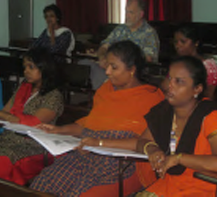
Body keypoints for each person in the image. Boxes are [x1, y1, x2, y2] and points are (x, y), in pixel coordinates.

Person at [30, 40, 164, 197]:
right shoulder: (105, 91)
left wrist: (99, 143)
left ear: (132, 70)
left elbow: (143, 142)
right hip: (86, 156)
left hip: (124, 164)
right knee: (42, 184)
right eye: (107, 65)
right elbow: (90, 126)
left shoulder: (151, 99)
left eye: (114, 67)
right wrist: (58, 130)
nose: (107, 72)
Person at [136, 56, 217, 197]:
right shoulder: (165, 111)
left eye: (179, 81)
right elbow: (142, 141)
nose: (169, 85)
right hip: (168, 186)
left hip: (201, 188)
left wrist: (179, 158)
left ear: (197, 89)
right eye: (169, 78)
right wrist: (152, 149)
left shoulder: (210, 116)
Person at [0, 47, 64, 185]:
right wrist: (7, 116)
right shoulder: (23, 88)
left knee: (2, 163)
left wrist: (8, 117)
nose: (25, 71)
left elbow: (33, 122)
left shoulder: (54, 96)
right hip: (8, 138)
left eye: (31, 67)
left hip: (31, 144)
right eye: (25, 67)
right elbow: (4, 113)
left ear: (44, 68)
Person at [81, 0, 159, 90]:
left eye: (131, 12)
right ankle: (105, 92)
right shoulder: (120, 29)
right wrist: (102, 57)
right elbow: (104, 46)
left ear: (140, 14)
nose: (127, 16)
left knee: (108, 78)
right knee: (84, 64)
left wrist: (119, 65)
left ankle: (106, 93)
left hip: (130, 73)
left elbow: (147, 59)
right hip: (111, 67)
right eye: (126, 11)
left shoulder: (149, 33)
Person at [173, 26, 217, 99]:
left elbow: (209, 96)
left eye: (183, 42)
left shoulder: (208, 66)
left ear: (196, 43)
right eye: (175, 42)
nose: (177, 46)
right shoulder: (179, 63)